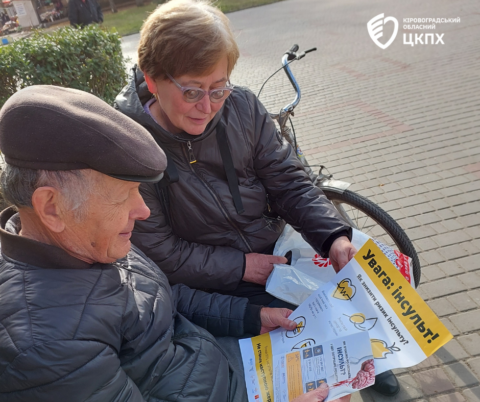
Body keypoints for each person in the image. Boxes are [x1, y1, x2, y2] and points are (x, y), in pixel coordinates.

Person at [114, 0, 400, 395]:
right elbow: (162, 253)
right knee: (305, 365)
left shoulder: (243, 107)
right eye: (192, 91)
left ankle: (371, 358)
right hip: (216, 287)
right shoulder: (129, 147)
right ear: (151, 79)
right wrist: (241, 267)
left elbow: (288, 181)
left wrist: (333, 235)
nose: (207, 107)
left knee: (350, 316)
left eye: (219, 88)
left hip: (280, 254)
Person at [0, 85, 341, 402]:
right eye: (122, 196)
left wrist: (251, 317)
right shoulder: (47, 347)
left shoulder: (85, 240)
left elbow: (163, 299)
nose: (143, 211)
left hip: (221, 364)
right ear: (51, 208)